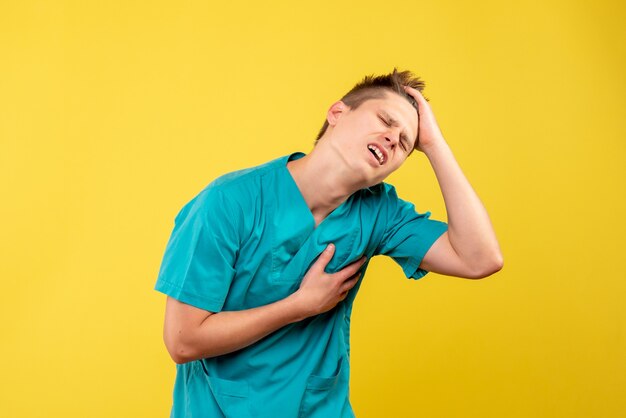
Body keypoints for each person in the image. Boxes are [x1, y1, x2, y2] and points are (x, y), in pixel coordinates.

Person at [154, 68, 503, 417]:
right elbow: (183, 340)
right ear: (337, 113)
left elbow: (479, 259)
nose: (392, 138)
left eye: (404, 143)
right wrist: (300, 305)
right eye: (384, 119)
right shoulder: (229, 202)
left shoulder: (378, 212)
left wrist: (433, 144)